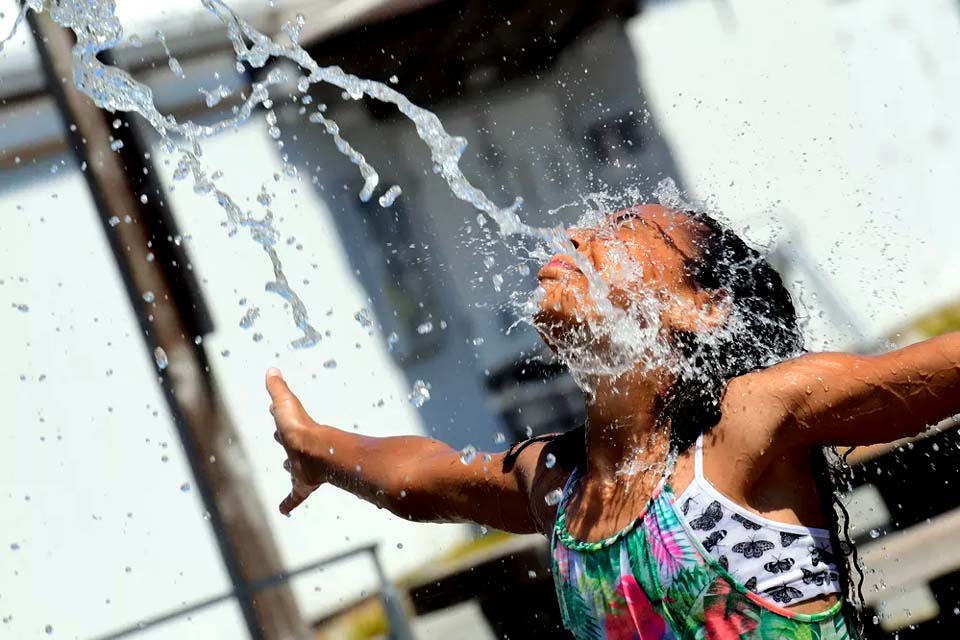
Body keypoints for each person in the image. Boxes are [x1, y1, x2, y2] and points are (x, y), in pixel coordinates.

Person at [265, 204, 959, 639]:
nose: (574, 235)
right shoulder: (561, 483)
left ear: (703, 308)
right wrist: (316, 447)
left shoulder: (744, 425)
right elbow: (422, 480)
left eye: (622, 229)